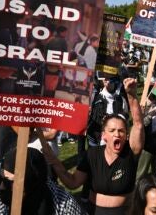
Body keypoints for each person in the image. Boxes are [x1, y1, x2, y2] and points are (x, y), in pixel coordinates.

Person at [39, 77, 144, 215]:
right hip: (93, 211)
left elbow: (138, 124)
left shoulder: (131, 153)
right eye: (112, 131)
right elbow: (73, 182)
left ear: (126, 135)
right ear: (103, 136)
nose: (117, 134)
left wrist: (131, 95)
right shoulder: (92, 154)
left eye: (121, 131)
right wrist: (53, 160)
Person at [87, 76, 129, 146]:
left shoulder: (121, 100)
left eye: (109, 76)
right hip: (95, 140)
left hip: (113, 142)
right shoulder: (94, 96)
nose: (105, 79)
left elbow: (126, 120)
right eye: (102, 76)